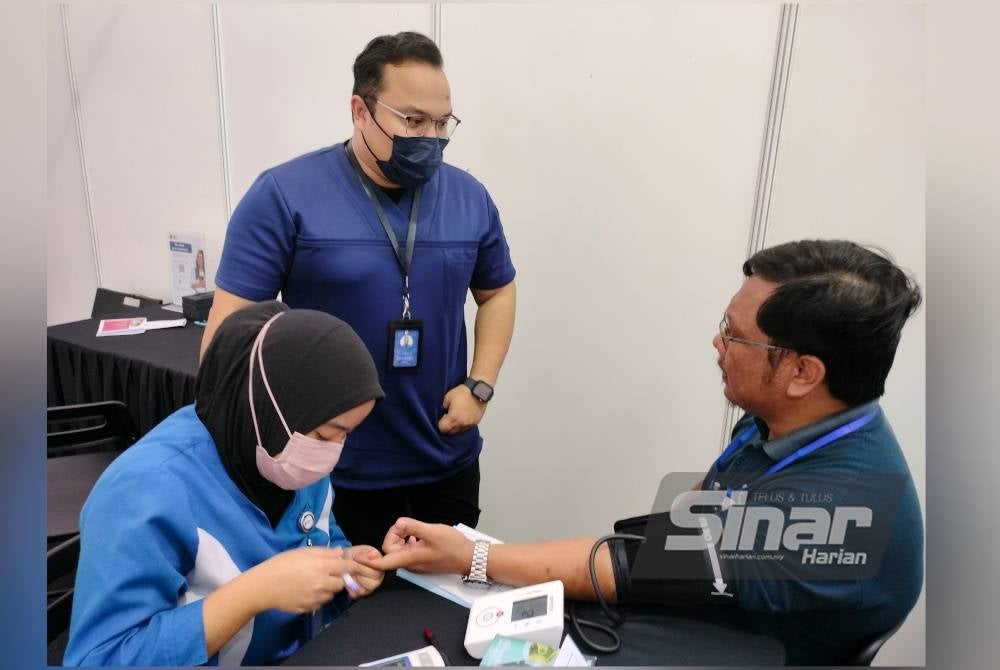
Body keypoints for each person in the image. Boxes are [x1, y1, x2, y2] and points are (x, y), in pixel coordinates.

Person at [359, 240, 924, 665]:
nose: (718, 343)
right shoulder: (785, 419)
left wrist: (470, 557)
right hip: (710, 611)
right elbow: (681, 532)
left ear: (803, 372)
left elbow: (633, 566)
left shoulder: (835, 513)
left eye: (736, 334)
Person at [202, 31, 517, 548]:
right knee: (346, 621)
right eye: (413, 121)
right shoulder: (285, 196)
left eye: (443, 123)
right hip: (335, 474)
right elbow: (225, 342)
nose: (431, 137)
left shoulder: (469, 197)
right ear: (360, 110)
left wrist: (479, 386)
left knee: (443, 613)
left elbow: (498, 292)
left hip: (445, 457)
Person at [64, 301, 388, 666]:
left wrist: (347, 568)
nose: (332, 453)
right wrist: (252, 593)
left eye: (346, 435)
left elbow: (321, 536)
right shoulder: (143, 493)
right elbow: (101, 658)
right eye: (326, 434)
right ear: (268, 410)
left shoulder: (283, 449)